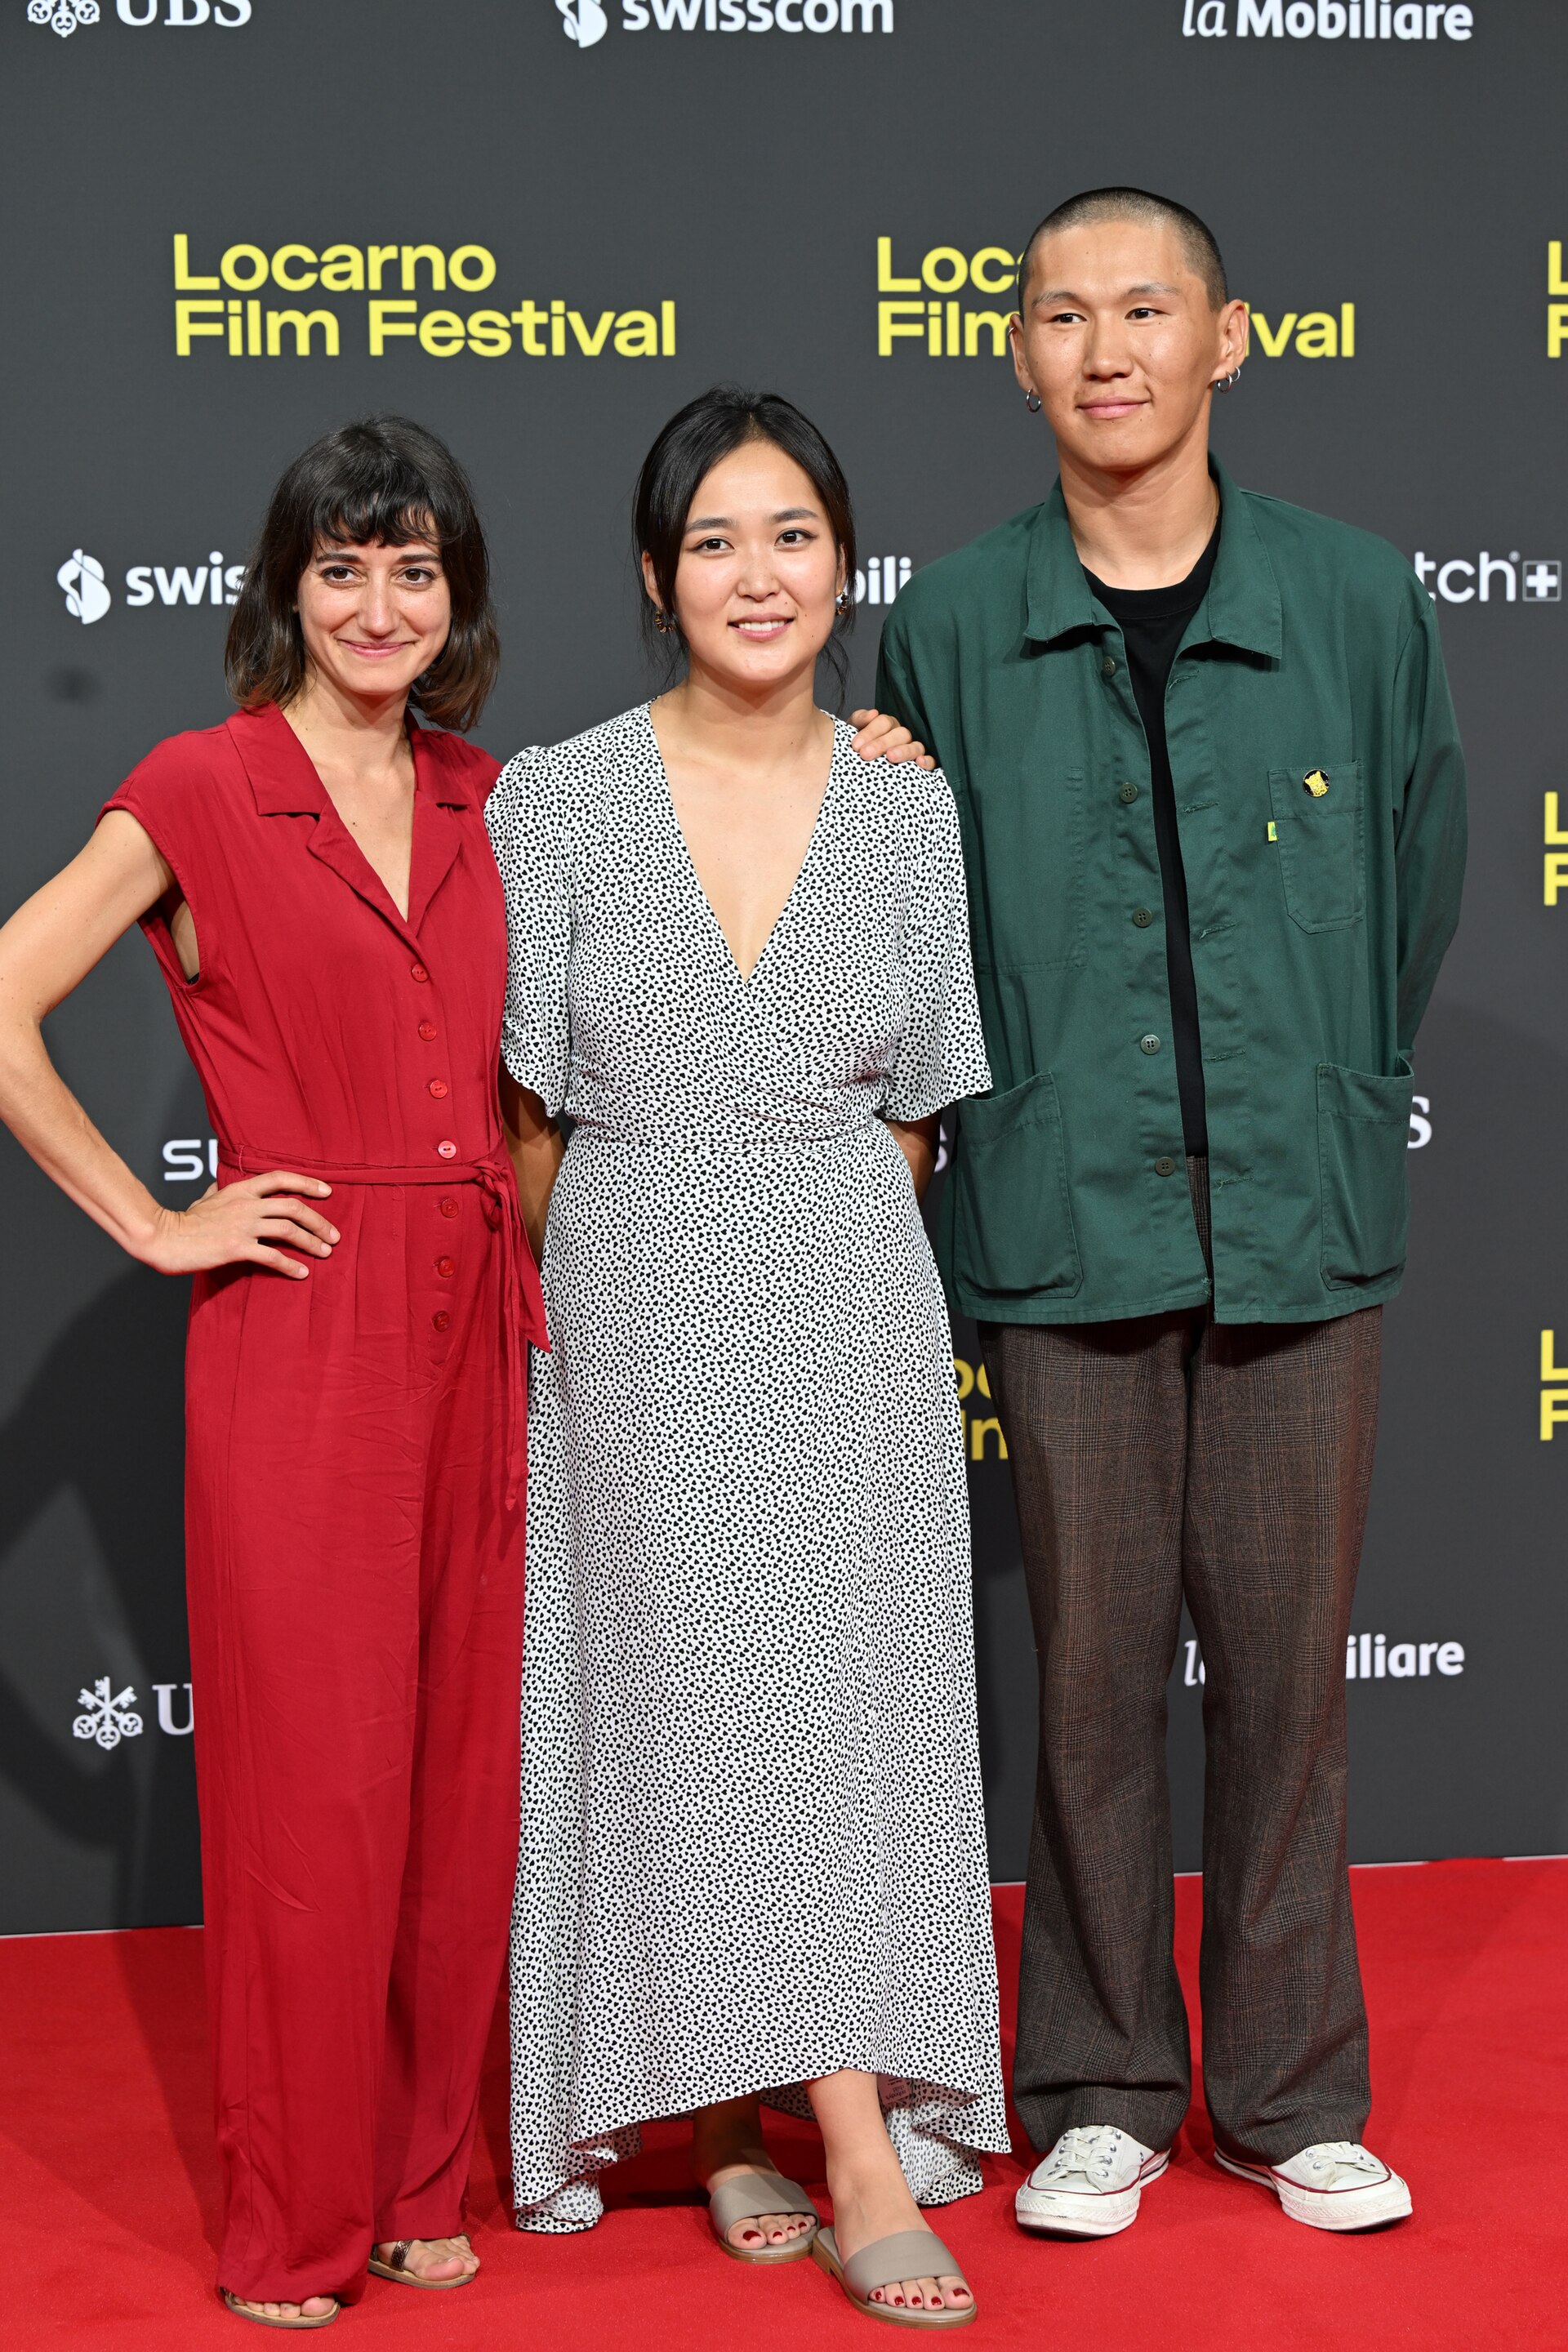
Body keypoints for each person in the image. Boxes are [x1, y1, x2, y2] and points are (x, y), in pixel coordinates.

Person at [875, 189, 1466, 2241]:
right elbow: (910, 931)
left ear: (1232, 339)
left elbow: (1418, 875)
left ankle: (1294, 2096)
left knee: (1291, 1680)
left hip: (1300, 1222)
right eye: (1063, 314)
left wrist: (1322, 1093)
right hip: (1061, 1222)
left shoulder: (1363, 599)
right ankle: (1105, 2083)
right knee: (1095, 1676)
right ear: (1017, 354)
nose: (1106, 345)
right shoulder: (950, 622)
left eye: (1148, 308)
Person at [0, 417, 544, 2328]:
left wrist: (868, 751)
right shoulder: (205, 785)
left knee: (462, 1778)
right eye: (343, 569)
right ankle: (293, 2227)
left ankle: (414, 2180)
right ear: (286, 592)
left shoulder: (497, 794)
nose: (381, 605)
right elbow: (5, 1001)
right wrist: (158, 1226)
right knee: (318, 1799)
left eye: (415, 569)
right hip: (305, 1326)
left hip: (485, 1319)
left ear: (456, 594)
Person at [488, 385, 1006, 2328]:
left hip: (849, 1304)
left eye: (791, 533)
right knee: (680, 1716)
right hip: (631, 1295)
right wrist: (624, 1288)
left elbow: (918, 1117)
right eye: (714, 539)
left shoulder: (907, 799)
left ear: (844, 562)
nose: (757, 573)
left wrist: (804, 1243)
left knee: (845, 1722)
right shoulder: (561, 796)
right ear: (654, 575)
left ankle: (857, 2129)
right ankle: (717, 2111)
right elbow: (530, 1115)